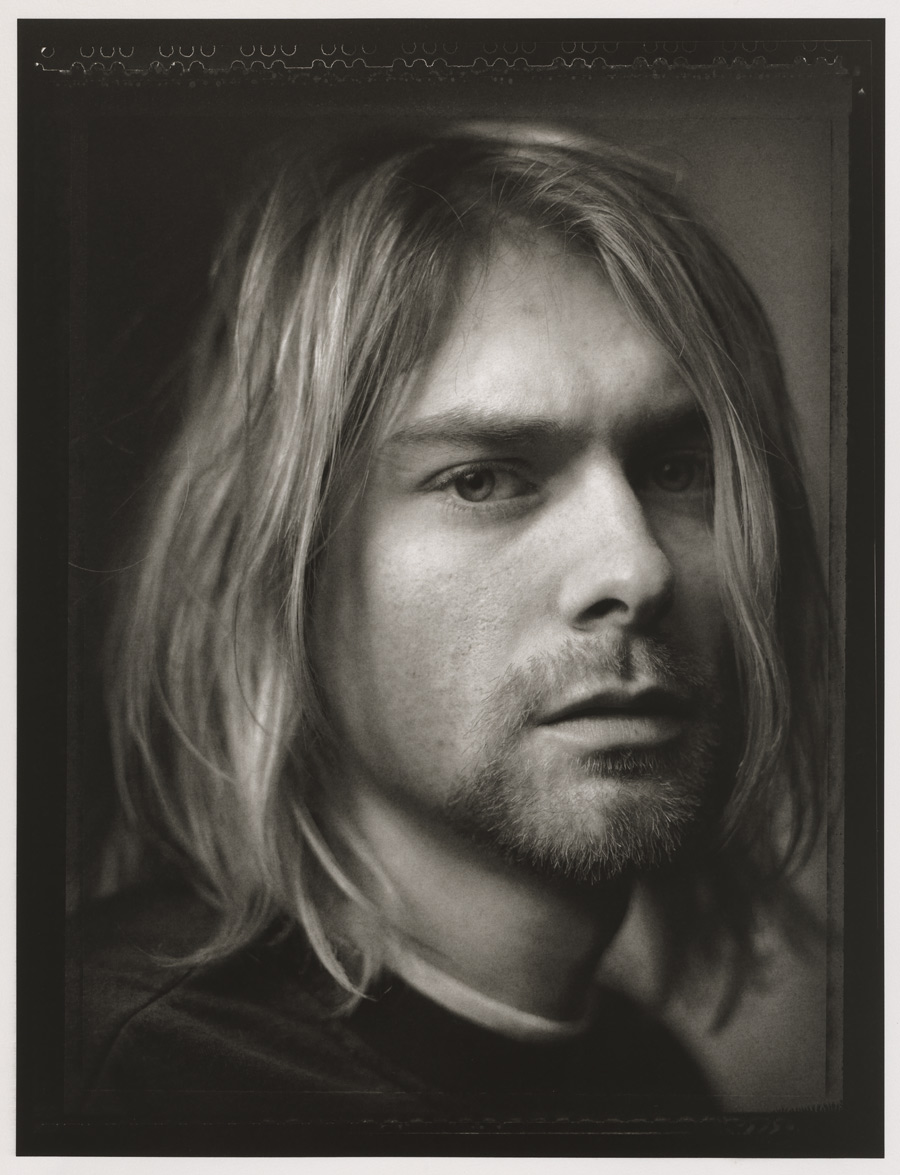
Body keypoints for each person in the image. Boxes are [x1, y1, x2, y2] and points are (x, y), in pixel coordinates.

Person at [72, 124, 827, 1128]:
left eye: (678, 468)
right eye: (482, 479)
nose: (636, 567)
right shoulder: (117, 1076)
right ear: (278, 565)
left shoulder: (654, 1085)